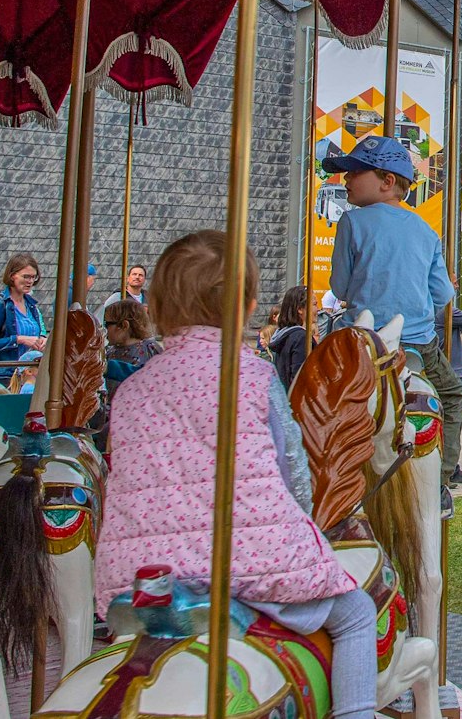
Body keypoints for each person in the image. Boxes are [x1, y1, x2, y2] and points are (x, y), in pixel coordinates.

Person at [93, 230, 378, 719]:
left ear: (155, 308)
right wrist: (305, 523)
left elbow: (125, 473)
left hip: (140, 577)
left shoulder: (132, 390)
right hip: (245, 562)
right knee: (356, 614)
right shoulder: (252, 375)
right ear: (247, 307)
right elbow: (292, 466)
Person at [323, 135, 462, 489]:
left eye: (355, 172)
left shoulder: (352, 223)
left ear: (387, 181)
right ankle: (443, 481)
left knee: (325, 392)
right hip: (417, 344)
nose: (346, 179)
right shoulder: (426, 231)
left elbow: (339, 287)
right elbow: (444, 293)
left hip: (366, 341)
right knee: (451, 395)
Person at [0, 254, 48, 380]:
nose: (30, 281)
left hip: (27, 377)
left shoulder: (31, 305)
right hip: (1, 378)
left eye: (33, 277)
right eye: (26, 276)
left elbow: (34, 335)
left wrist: (42, 339)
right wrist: (18, 339)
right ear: (11, 276)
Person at [100, 299, 161, 396]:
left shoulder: (150, 349)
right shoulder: (110, 352)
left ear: (124, 325)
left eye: (107, 324)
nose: (104, 329)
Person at [266, 285, 313, 387]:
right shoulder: (301, 337)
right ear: (300, 309)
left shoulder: (283, 334)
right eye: (314, 304)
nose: (317, 309)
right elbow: (299, 378)